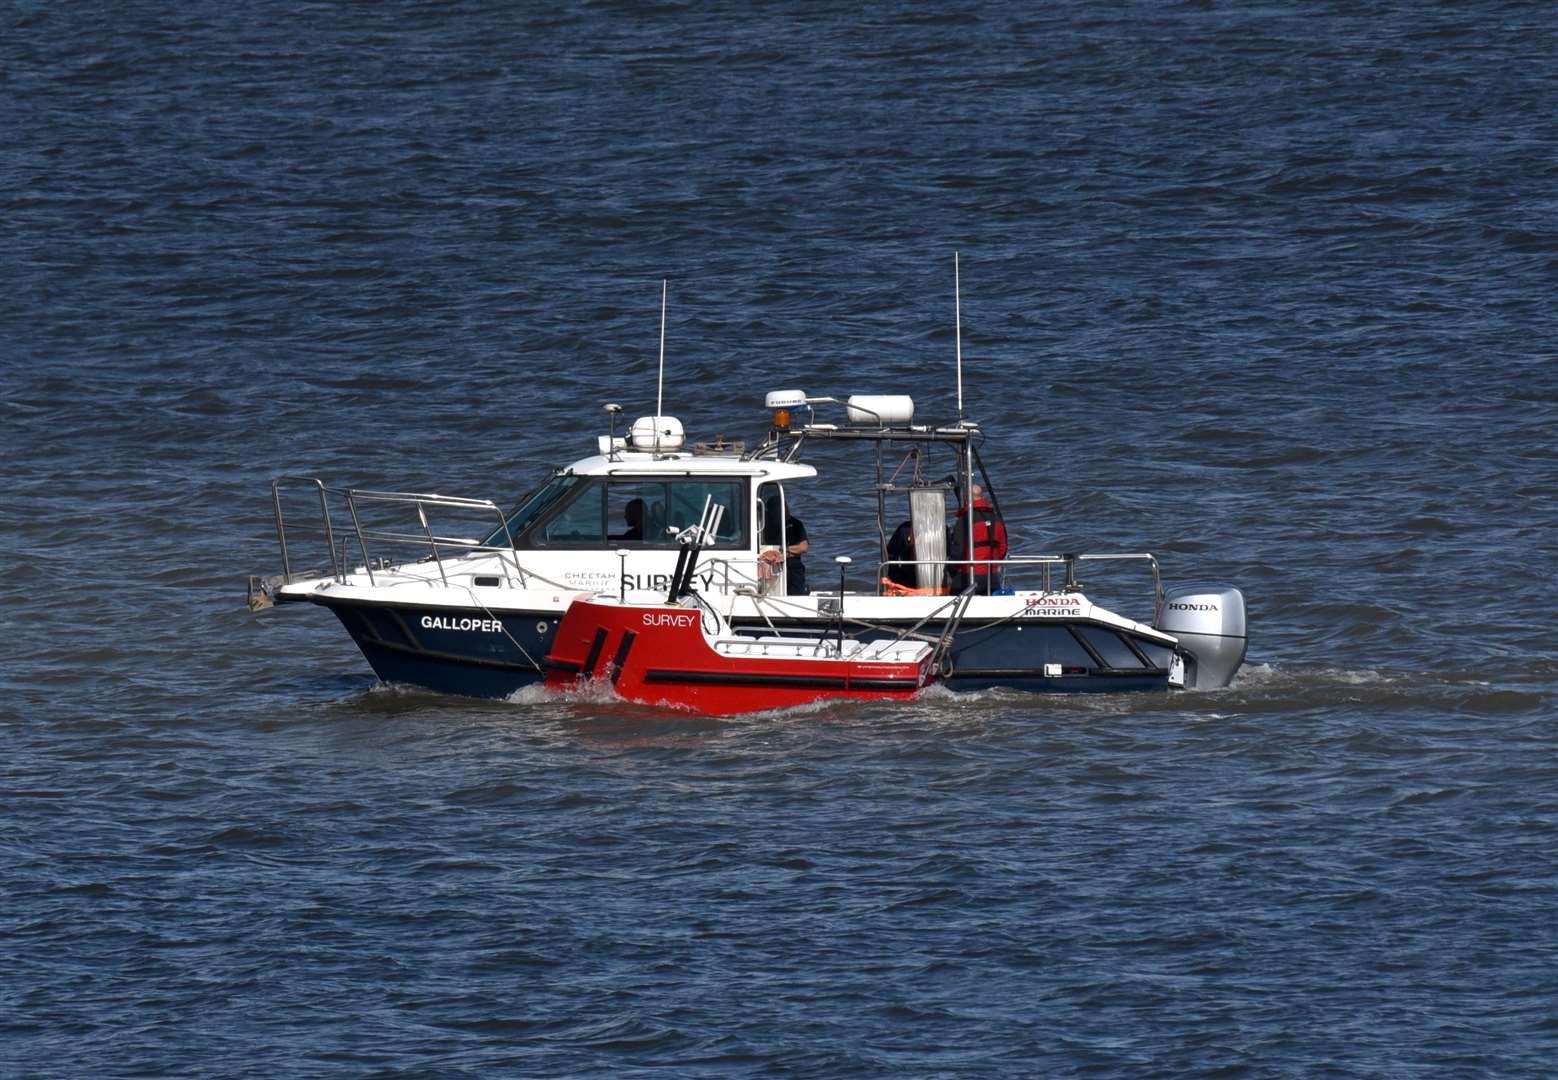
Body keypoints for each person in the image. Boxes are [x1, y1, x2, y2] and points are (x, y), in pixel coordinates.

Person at [948, 484, 1007, 594]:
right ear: (982, 496)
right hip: (992, 576)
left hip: (970, 576)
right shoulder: (996, 519)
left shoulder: (965, 519)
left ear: (966, 498)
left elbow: (958, 551)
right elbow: (1003, 548)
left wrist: (951, 569)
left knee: (952, 595)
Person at [761, 495, 809, 595]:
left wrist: (784, 552)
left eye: (784, 506)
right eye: (777, 507)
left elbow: (803, 547)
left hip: (792, 564)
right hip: (769, 561)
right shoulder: (763, 525)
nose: (783, 509)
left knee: (797, 592)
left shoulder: (796, 524)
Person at [884, 519, 917, 588]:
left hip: (937, 579)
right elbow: (890, 554)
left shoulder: (942, 529)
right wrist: (896, 577)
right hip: (907, 579)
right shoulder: (904, 529)